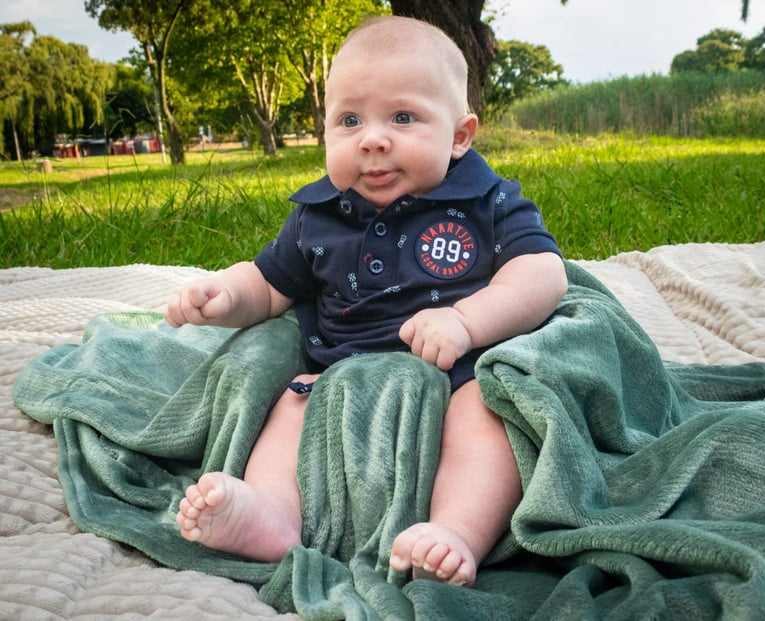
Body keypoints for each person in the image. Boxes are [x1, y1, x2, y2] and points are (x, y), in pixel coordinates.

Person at [166, 15, 567, 588]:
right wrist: (225, 295)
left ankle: (456, 532)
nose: (372, 139)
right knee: (287, 411)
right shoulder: (319, 215)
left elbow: (543, 275)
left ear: (459, 136)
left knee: (488, 423)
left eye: (403, 117)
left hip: (456, 372)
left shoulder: (488, 202)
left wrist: (466, 320)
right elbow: (270, 284)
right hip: (340, 378)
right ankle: (272, 513)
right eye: (349, 120)